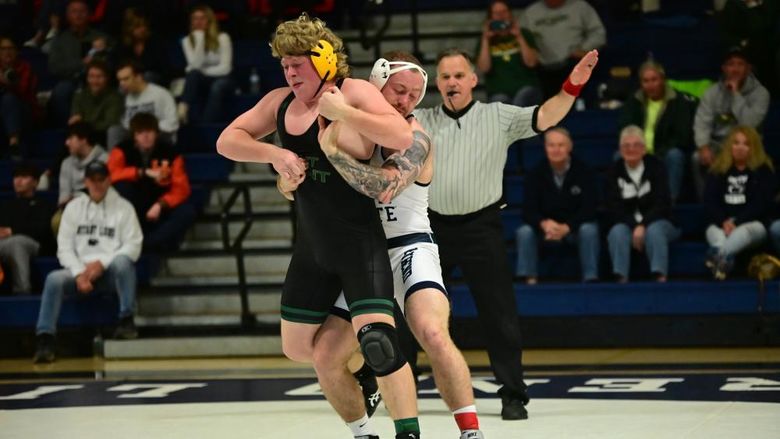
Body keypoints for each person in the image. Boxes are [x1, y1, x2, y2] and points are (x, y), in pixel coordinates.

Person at [216, 15, 421, 439]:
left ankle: (408, 431)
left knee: (380, 344)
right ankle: (364, 420)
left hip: (359, 243)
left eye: (298, 64)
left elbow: (401, 136)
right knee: (297, 350)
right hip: (314, 248)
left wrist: (343, 112)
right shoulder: (280, 103)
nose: (290, 74)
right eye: (285, 66)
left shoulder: (354, 92)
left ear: (325, 59)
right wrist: (274, 156)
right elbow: (227, 141)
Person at [280, 51, 484, 439]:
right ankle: (364, 415)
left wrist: (336, 140)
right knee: (323, 354)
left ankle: (470, 430)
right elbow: (309, 184)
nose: (405, 101)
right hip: (360, 251)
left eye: (414, 95)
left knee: (432, 331)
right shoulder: (346, 129)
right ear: (376, 84)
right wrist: (286, 179)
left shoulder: (415, 136)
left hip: (408, 246)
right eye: (398, 90)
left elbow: (384, 187)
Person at [413, 47, 600, 420]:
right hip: (431, 228)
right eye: (445, 76)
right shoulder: (419, 119)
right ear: (437, 83)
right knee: (414, 310)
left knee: (499, 314)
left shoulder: (496, 116)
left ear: (473, 80)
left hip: (481, 227)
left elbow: (546, 116)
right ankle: (396, 386)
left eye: (458, 75)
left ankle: (513, 394)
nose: (452, 82)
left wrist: (572, 85)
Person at [33, 160, 143, 364]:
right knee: (54, 279)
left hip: (110, 272)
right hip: (79, 272)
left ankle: (127, 320)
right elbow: (64, 248)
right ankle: (45, 339)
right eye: (93, 180)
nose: (98, 184)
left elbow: (133, 245)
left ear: (109, 180)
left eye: (102, 179)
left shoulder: (124, 207)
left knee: (124, 263)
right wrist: (78, 273)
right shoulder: (74, 208)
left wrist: (102, 264)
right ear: (86, 181)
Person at [515, 127, 600, 284]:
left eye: (561, 145)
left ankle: (590, 277)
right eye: (551, 145)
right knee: (524, 232)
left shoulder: (584, 172)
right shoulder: (535, 174)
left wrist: (567, 227)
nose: (556, 150)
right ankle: (529, 279)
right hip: (546, 229)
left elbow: (589, 208)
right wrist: (544, 224)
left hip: (574, 227)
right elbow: (528, 211)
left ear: (570, 147)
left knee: (589, 230)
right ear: (545, 148)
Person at [108, 112, 195, 253]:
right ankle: (132, 240)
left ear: (156, 133)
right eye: (141, 132)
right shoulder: (122, 150)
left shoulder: (170, 153)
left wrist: (161, 204)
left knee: (187, 211)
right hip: (135, 204)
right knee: (121, 188)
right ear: (134, 135)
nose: (146, 136)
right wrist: (141, 172)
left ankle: (148, 244)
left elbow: (181, 188)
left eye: (149, 132)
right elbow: (111, 176)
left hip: (160, 204)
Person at [692, 47, 770, 198]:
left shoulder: (761, 94)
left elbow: (749, 123)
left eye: (740, 64)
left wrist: (735, 94)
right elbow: (702, 122)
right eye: (731, 64)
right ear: (724, 68)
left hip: (748, 145)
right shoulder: (711, 92)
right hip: (719, 144)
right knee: (697, 157)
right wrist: (703, 146)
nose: (735, 69)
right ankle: (706, 202)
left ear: (748, 68)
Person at [605, 125, 679, 283]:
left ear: (644, 149)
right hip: (627, 224)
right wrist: (634, 226)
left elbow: (662, 203)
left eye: (636, 145)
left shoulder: (657, 167)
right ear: (620, 149)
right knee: (617, 231)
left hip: (660, 221)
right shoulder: (613, 171)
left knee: (654, 230)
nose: (631, 149)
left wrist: (642, 225)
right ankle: (621, 278)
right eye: (626, 145)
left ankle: (659, 277)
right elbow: (614, 207)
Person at [618, 60, 697, 202]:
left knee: (675, 155)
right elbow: (625, 129)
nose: (650, 85)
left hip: (664, 153)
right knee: (618, 156)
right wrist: (638, 151)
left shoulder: (677, 101)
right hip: (639, 152)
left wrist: (657, 155)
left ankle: (670, 202)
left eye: (654, 80)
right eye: (646, 81)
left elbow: (682, 136)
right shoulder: (634, 101)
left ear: (662, 79)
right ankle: (627, 203)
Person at [704, 126, 774, 280]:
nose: (740, 147)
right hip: (720, 224)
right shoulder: (717, 170)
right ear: (730, 146)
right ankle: (722, 263)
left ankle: (717, 258)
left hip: (752, 225)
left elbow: (762, 204)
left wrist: (737, 222)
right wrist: (723, 221)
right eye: (736, 143)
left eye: (746, 144)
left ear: (753, 147)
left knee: (743, 232)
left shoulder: (763, 171)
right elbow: (709, 202)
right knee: (716, 234)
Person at [520, 0, 606, 99]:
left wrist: (584, 49)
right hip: (542, 69)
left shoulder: (580, 7)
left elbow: (598, 33)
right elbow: (521, 38)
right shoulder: (530, 13)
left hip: (573, 64)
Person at [47, 0, 111, 128]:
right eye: (74, 12)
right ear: (67, 16)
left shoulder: (101, 37)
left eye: (82, 11)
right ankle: (69, 131)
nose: (78, 15)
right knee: (62, 90)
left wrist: (105, 50)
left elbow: (112, 62)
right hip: (71, 80)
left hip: (98, 80)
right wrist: (81, 64)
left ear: (89, 14)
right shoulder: (60, 40)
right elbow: (54, 67)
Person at [0, 162, 54, 294]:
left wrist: (12, 231)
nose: (18, 181)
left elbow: (43, 230)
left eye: (24, 177)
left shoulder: (44, 205)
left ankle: (22, 291)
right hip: (4, 243)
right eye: (16, 177)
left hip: (34, 244)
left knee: (17, 242)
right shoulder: (5, 206)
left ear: (35, 182)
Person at [476, 0, 542, 107]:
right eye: (496, 13)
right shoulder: (485, 41)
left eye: (504, 11)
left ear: (510, 13)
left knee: (520, 101)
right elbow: (484, 68)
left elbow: (531, 63)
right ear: (490, 17)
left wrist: (519, 36)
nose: (501, 16)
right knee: (500, 103)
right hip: (498, 92)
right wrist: (485, 39)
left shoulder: (525, 34)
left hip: (527, 88)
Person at [178, 4, 234, 124]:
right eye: (195, 18)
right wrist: (200, 39)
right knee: (193, 74)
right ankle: (182, 109)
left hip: (223, 78)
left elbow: (225, 68)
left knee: (216, 86)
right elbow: (195, 66)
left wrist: (201, 71)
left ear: (209, 21)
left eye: (202, 18)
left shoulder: (223, 37)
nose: (198, 22)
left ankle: (206, 124)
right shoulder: (187, 41)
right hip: (201, 80)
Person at [108, 60, 178, 148]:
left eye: (126, 79)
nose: (122, 84)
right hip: (136, 138)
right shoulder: (126, 98)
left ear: (138, 77)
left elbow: (173, 123)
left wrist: (146, 130)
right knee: (115, 131)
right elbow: (126, 124)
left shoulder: (160, 93)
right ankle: (115, 161)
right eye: (120, 80)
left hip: (160, 137)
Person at [69, 59, 123, 146]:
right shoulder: (80, 95)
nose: (95, 81)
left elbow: (110, 122)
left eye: (99, 77)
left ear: (107, 78)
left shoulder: (114, 97)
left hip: (102, 136)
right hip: (82, 136)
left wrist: (85, 123)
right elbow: (75, 121)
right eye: (91, 76)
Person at [0, 36, 38, 158]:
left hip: (24, 112)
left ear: (16, 51)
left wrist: (6, 83)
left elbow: (24, 92)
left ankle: (14, 144)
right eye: (3, 48)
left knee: (9, 99)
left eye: (10, 48)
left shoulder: (25, 67)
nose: (7, 51)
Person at [113, 8, 169, 85]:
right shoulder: (123, 45)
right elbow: (117, 65)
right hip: (129, 79)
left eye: (144, 25)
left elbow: (163, 68)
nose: (143, 29)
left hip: (153, 79)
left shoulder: (155, 41)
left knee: (147, 76)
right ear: (129, 28)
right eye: (138, 26)